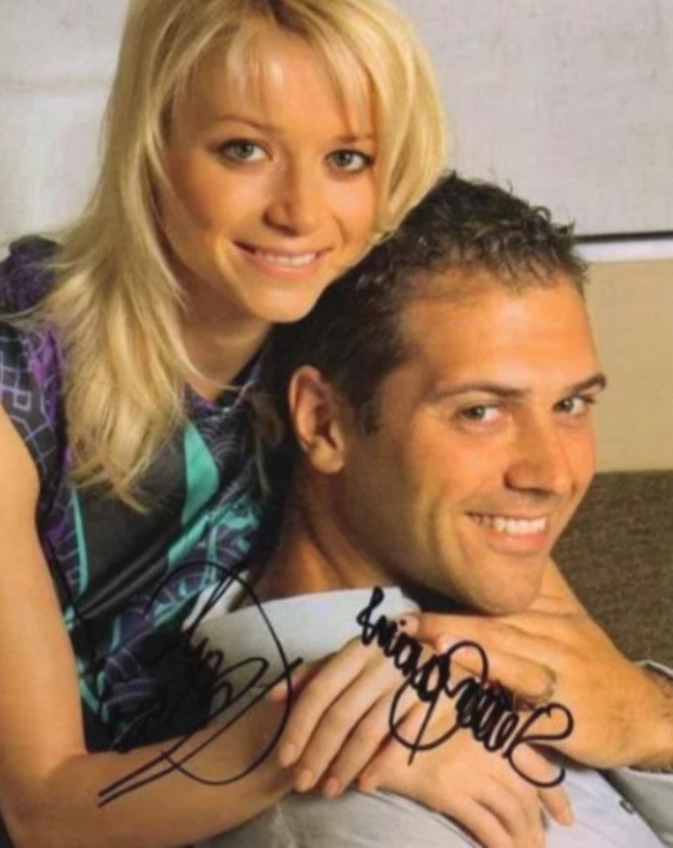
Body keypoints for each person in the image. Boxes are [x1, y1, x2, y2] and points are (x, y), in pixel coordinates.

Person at [0, 0, 448, 846]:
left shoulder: (356, 334)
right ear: (152, 145)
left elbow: (509, 598)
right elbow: (43, 809)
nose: (299, 212)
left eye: (346, 158)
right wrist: (346, 735)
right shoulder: (21, 371)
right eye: (243, 149)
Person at [192, 173, 673, 848]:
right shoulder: (351, 810)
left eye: (569, 404)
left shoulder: (517, 621)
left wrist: (649, 720)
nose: (553, 474)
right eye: (480, 411)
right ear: (324, 421)